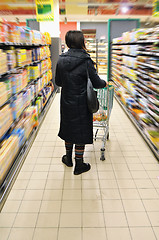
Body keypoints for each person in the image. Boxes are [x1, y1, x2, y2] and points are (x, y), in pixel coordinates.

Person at [55, 30, 106, 175]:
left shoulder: (61, 59)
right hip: (82, 102)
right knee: (80, 131)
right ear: (82, 42)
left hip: (66, 101)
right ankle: (79, 164)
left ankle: (67, 158)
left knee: (68, 128)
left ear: (67, 42)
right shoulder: (86, 60)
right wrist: (105, 83)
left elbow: (58, 82)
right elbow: (96, 82)